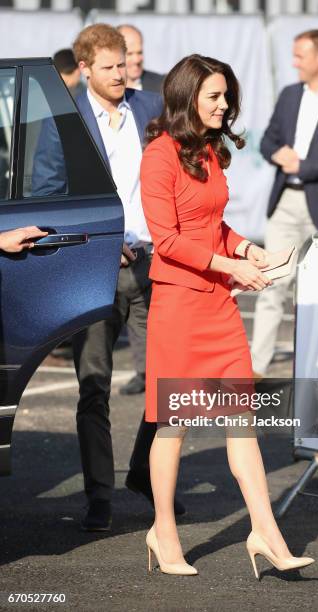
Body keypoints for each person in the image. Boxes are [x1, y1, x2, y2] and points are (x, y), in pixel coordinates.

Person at [140, 54, 315, 577]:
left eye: (227, 97)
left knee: (242, 421)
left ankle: (266, 533)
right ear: (187, 97)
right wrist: (230, 266)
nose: (224, 106)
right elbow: (167, 239)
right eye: (215, 96)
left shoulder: (210, 152)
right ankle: (163, 533)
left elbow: (212, 225)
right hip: (178, 303)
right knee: (175, 425)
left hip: (216, 302)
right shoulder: (160, 155)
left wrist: (247, 250)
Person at [68, 24, 183, 532]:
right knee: (95, 387)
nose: (122, 73)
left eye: (125, 64)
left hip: (154, 263)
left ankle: (142, 471)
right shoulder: (64, 116)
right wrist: (101, 239)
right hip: (94, 270)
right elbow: (53, 190)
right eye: (111, 67)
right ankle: (99, 495)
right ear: (86, 67)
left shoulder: (150, 106)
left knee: (167, 383)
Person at [251, 29, 318, 379]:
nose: (294, 63)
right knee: (271, 284)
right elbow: (268, 140)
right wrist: (276, 153)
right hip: (286, 201)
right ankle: (254, 369)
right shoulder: (289, 95)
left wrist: (305, 166)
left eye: (300, 55)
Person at [116, 24, 165, 396]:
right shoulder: (94, 105)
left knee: (152, 305)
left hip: (152, 214)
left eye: (137, 52)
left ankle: (158, 372)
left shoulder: (157, 92)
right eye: (127, 53)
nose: (134, 60)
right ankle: (143, 371)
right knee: (132, 300)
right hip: (121, 223)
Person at [117, 24, 164, 93]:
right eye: (129, 54)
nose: (136, 60)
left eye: (140, 53)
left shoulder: (161, 84)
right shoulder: (104, 87)